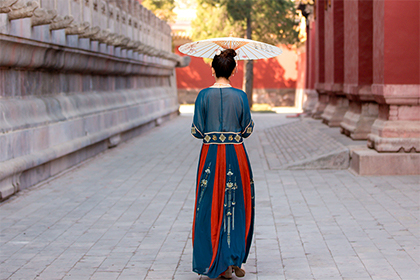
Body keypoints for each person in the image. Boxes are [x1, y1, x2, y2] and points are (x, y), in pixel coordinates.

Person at [190, 49, 255, 279]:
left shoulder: (203, 96)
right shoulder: (241, 97)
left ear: (212, 70)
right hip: (235, 155)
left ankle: (215, 260)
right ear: (234, 70)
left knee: (209, 204)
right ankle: (233, 257)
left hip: (210, 155)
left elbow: (197, 131)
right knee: (236, 203)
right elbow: (247, 130)